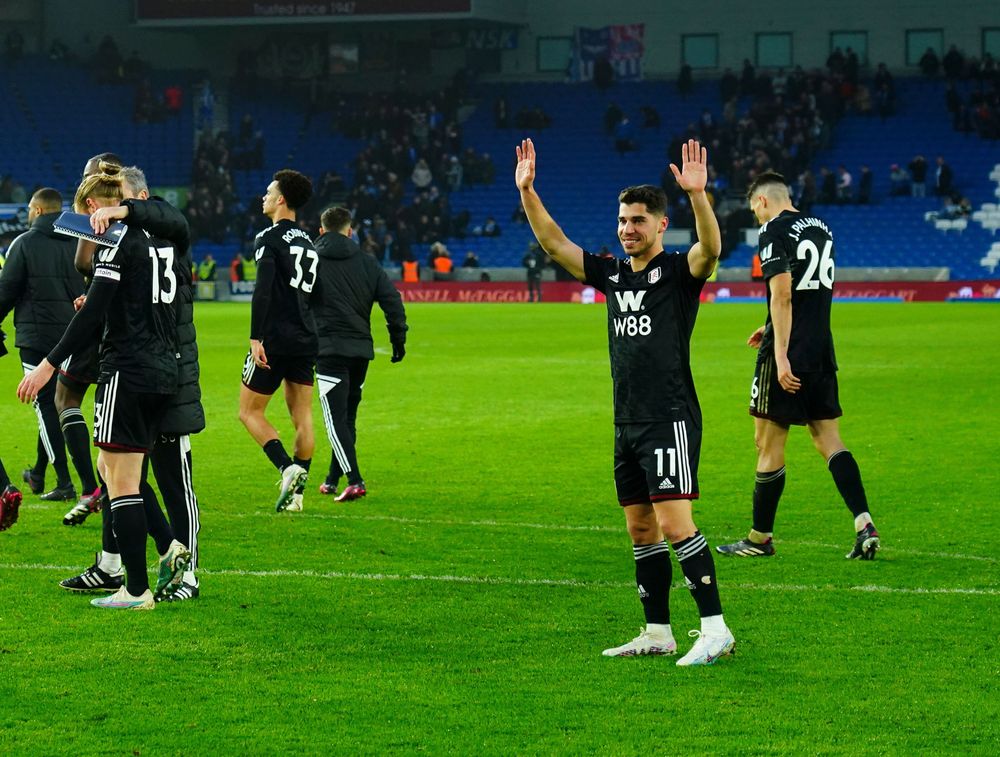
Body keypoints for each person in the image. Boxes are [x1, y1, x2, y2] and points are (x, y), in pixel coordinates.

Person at [515, 137, 734, 666]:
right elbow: (554, 245)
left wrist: (698, 197)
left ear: (661, 225)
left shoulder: (680, 274)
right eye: (622, 220)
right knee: (640, 528)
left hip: (668, 417)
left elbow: (712, 250)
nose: (627, 228)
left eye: (638, 220)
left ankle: (715, 628)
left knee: (677, 523)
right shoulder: (613, 274)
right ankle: (658, 631)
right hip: (627, 419)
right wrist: (527, 190)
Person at [18, 163, 190, 609]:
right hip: (163, 371)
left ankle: (135, 588)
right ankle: (169, 547)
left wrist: (46, 367)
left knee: (122, 481)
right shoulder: (165, 242)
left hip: (127, 370)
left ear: (97, 207)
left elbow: (92, 317)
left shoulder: (116, 243)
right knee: (111, 469)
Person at [58, 165, 205, 602]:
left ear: (137, 201)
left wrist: (120, 211)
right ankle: (166, 552)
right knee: (121, 472)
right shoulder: (141, 244)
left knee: (172, 479)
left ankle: (185, 572)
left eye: (120, 200)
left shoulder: (161, 233)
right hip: (154, 369)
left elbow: (170, 216)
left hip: (166, 376)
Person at [717, 172, 881, 561]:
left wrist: (780, 353)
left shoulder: (772, 228)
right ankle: (863, 522)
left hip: (790, 352)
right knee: (829, 439)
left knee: (768, 442)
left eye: (754, 211)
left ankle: (760, 538)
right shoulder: (821, 227)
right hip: (821, 347)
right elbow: (810, 294)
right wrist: (771, 325)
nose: (756, 218)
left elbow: (784, 293)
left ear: (760, 202)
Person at [0, 188, 91, 505]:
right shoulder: (79, 242)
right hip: (72, 336)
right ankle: (39, 471)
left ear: (37, 211)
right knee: (58, 401)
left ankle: (65, 481)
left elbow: (6, 291)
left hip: (35, 337)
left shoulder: (24, 244)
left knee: (45, 405)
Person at [313, 207, 408, 501]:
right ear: (350, 231)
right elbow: (392, 300)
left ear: (321, 231)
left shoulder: (311, 261)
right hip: (360, 352)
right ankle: (331, 479)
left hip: (329, 350)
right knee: (347, 417)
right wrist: (398, 339)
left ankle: (354, 480)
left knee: (334, 420)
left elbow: (296, 303)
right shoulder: (367, 262)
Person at [238, 170, 318, 512]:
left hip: (274, 339)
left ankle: (287, 469)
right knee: (302, 416)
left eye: (269, 191)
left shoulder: (269, 238)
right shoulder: (310, 242)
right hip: (305, 337)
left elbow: (263, 290)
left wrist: (256, 337)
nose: (264, 197)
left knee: (248, 412)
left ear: (281, 199)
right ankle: (297, 498)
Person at [55, 153, 123, 527]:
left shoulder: (97, 210)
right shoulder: (137, 206)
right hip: (133, 325)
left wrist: (95, 286)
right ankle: (112, 486)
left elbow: (83, 262)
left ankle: (91, 489)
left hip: (98, 318)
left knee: (65, 397)